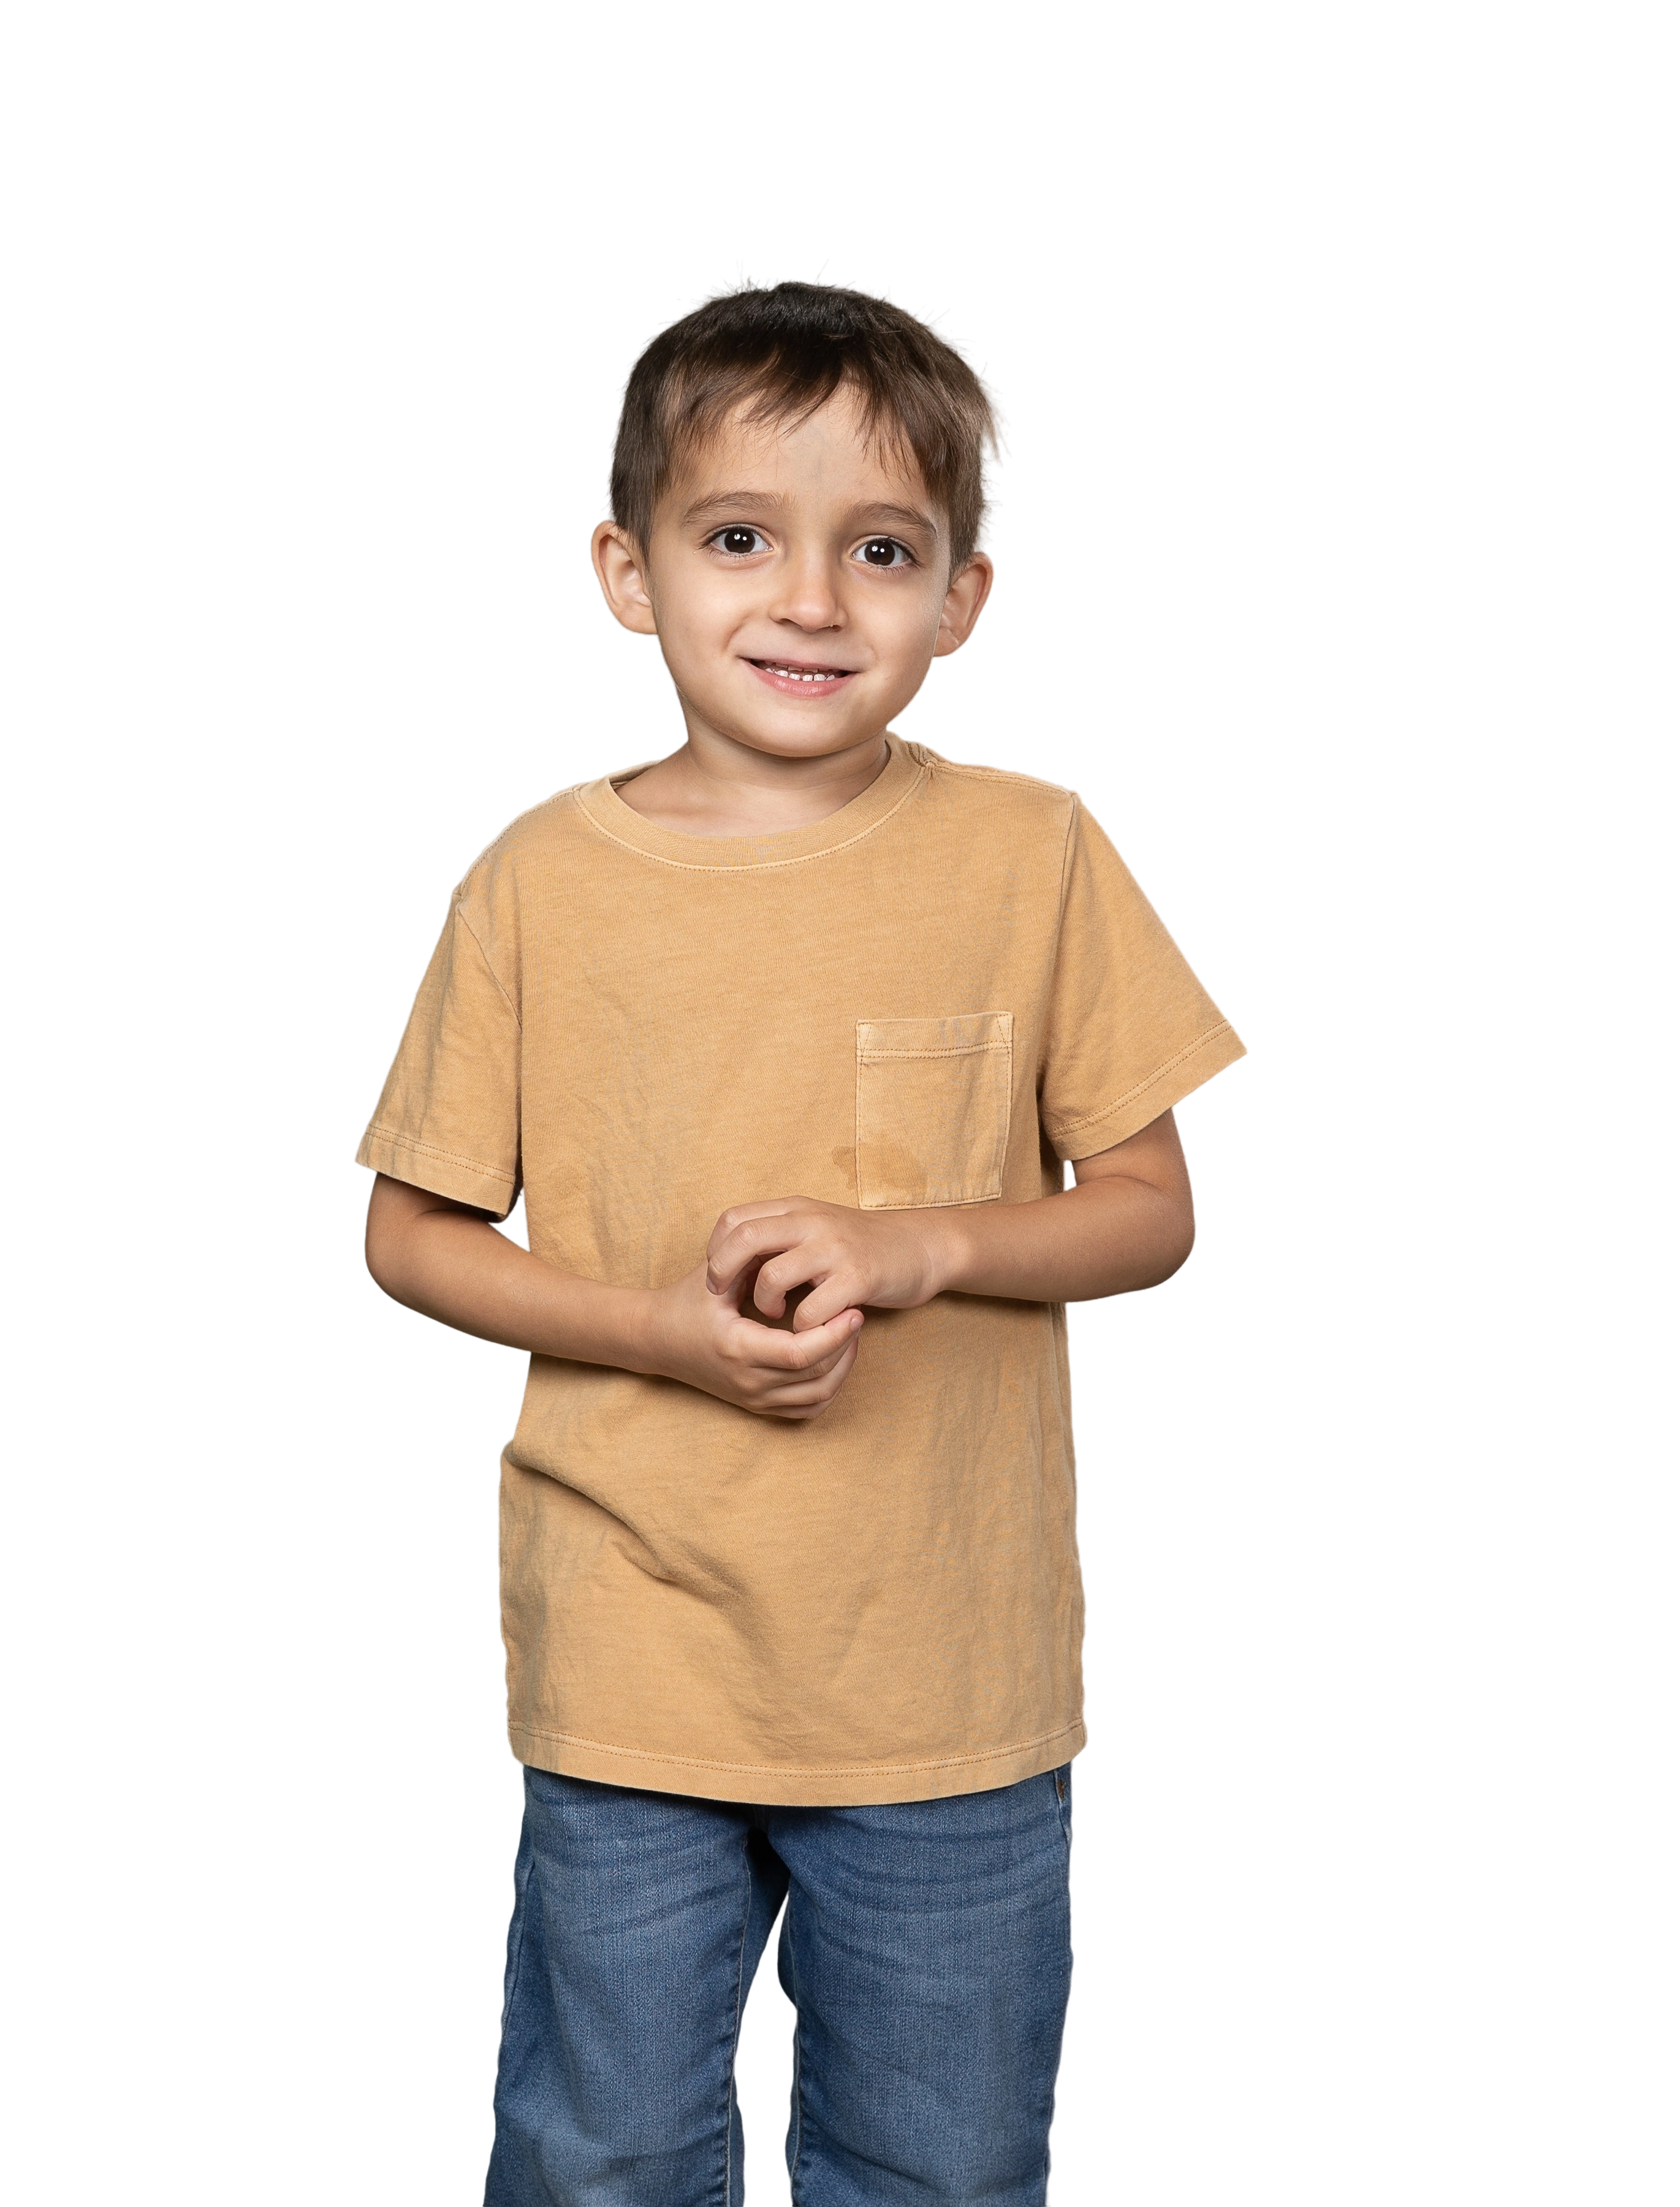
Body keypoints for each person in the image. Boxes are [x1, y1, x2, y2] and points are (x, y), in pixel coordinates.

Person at [352, 267, 1250, 2207]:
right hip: (632, 1657)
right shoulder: (536, 879)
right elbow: (410, 1236)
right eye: (742, 537)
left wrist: (924, 1247)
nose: (814, 600)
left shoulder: (1036, 854)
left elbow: (1152, 1212)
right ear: (629, 569)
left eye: (885, 549)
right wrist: (660, 1333)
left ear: (966, 596)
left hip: (952, 1684)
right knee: (596, 2156)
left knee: (942, 2166)